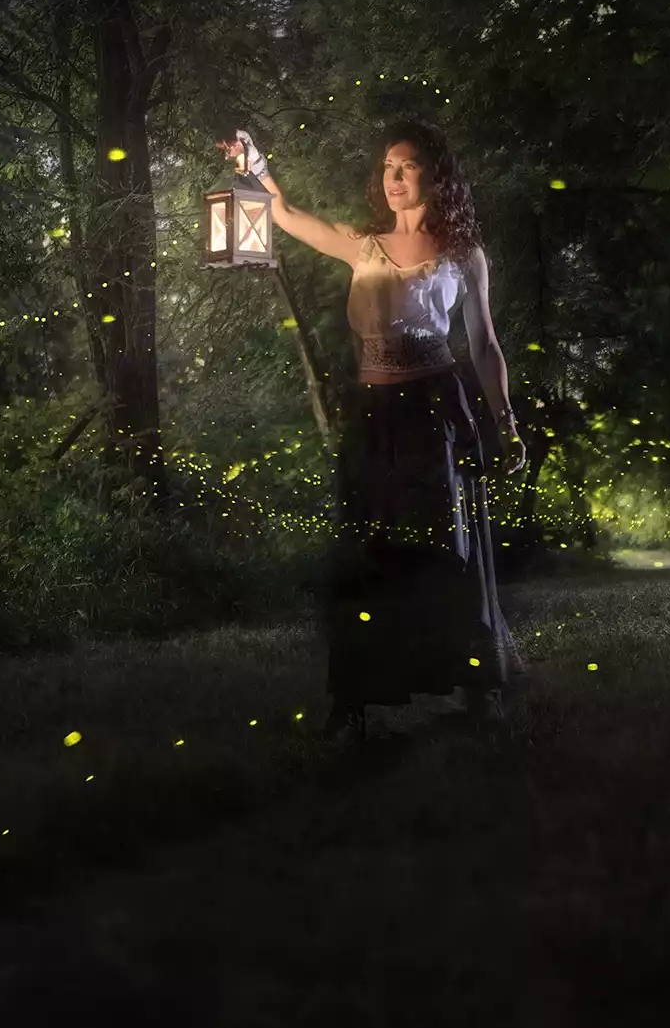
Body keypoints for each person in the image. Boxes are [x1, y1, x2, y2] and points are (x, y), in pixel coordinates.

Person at [214, 120, 528, 746]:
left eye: (407, 166)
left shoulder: (464, 254)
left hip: (434, 415)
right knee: (364, 554)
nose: (394, 177)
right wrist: (255, 164)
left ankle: (478, 689)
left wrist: (506, 424)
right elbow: (288, 212)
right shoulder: (361, 244)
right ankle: (352, 699)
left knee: (448, 550)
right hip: (373, 416)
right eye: (388, 166)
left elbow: (484, 344)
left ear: (436, 176)